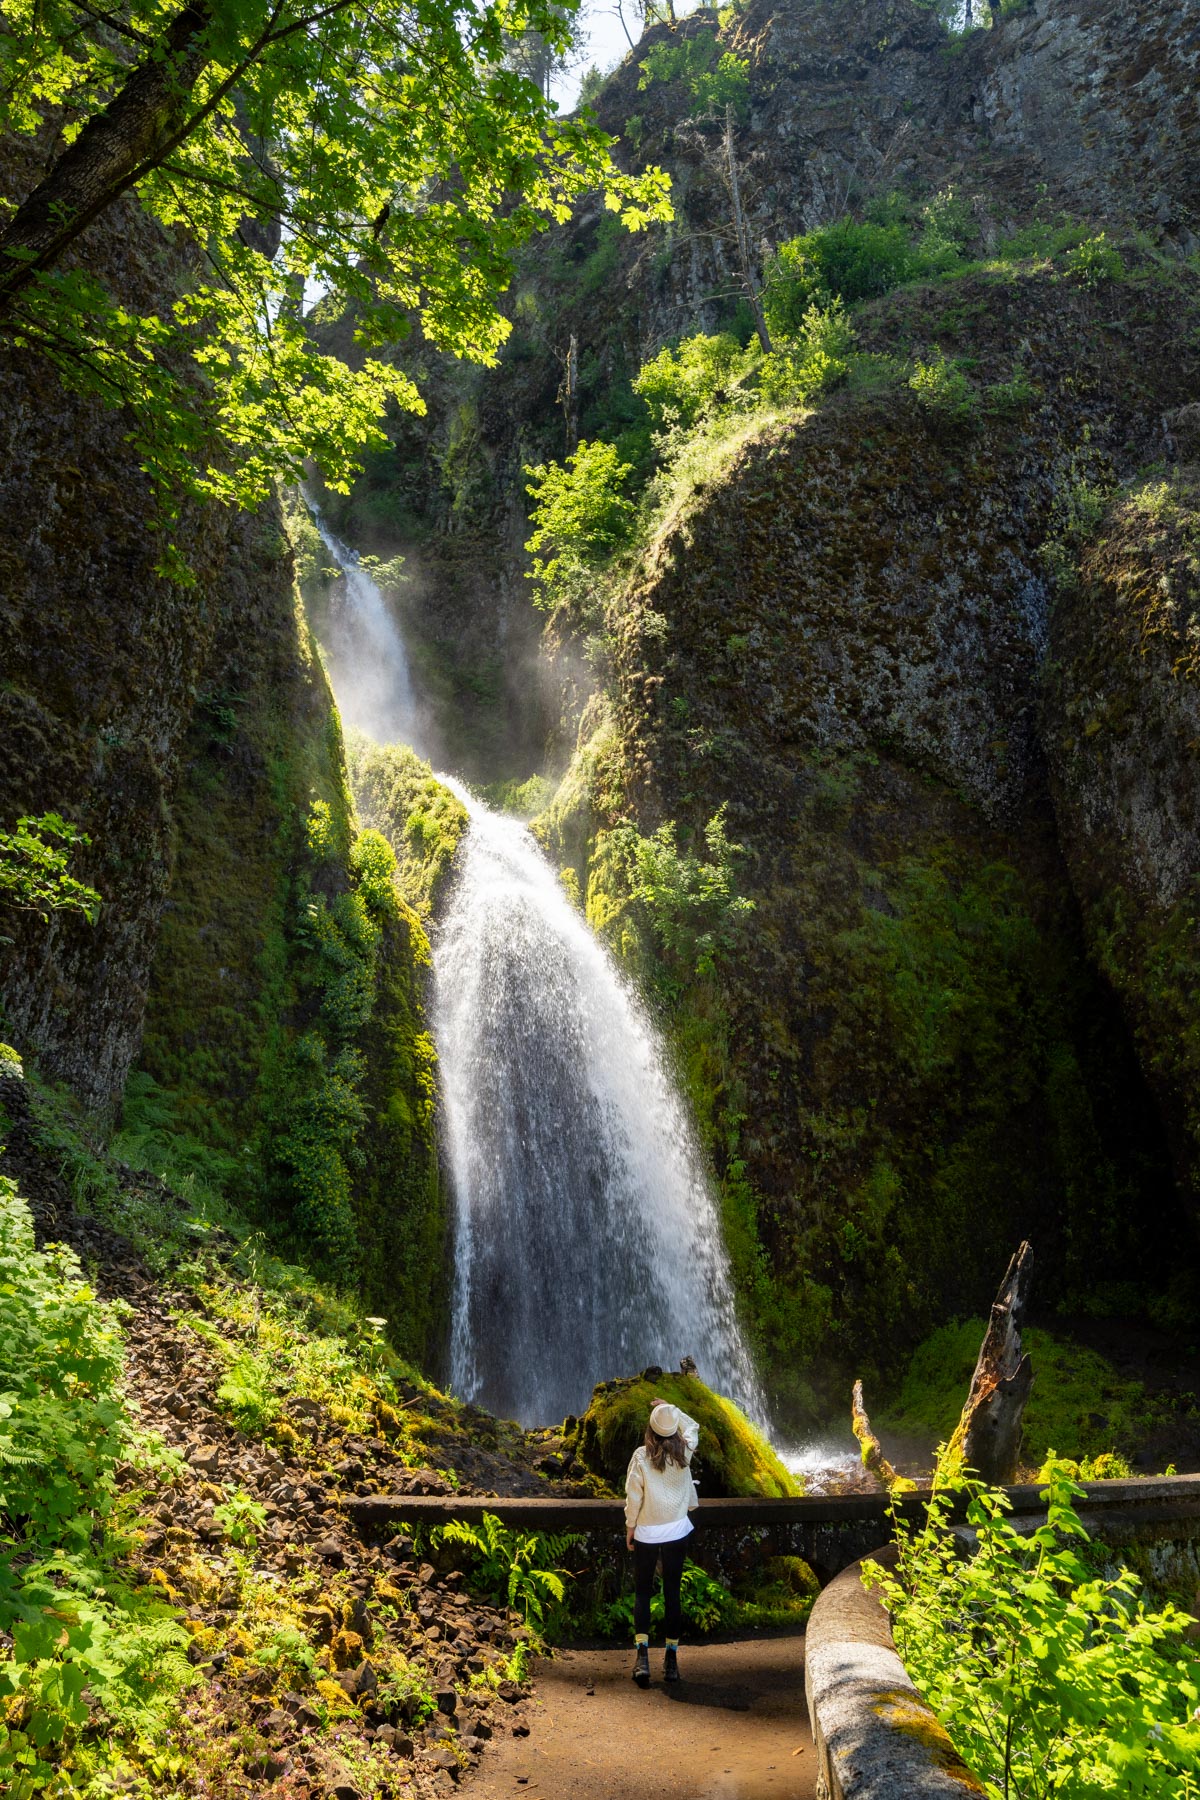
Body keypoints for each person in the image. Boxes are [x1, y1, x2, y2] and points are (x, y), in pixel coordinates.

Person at [624, 1397, 700, 1686]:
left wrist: (630, 1526)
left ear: (650, 1430)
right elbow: (692, 1425)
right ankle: (671, 1661)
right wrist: (673, 1409)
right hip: (678, 1531)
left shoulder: (641, 1456)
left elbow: (634, 1496)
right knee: (672, 1594)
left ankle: (642, 1659)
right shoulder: (686, 1451)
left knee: (643, 1593)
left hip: (646, 1532)